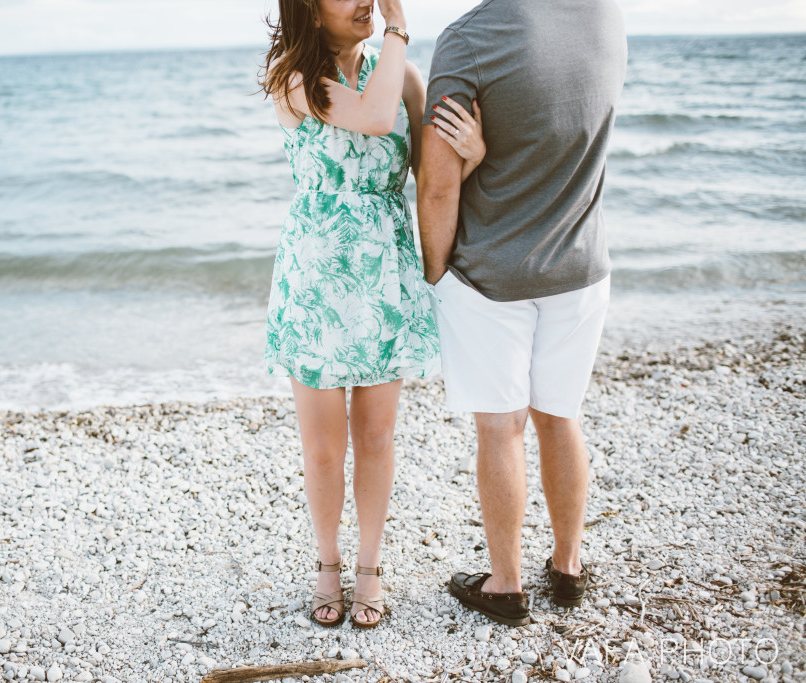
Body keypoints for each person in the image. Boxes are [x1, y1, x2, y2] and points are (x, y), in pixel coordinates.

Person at [260, 0, 484, 628]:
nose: (367, 1)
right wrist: (401, 30)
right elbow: (372, 116)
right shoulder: (293, 75)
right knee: (325, 446)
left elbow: (430, 176)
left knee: (378, 437)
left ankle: (370, 567)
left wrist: (474, 152)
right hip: (317, 280)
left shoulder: (404, 76)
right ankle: (327, 565)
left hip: (384, 275)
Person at [418, 0, 628, 626]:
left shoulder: (469, 38)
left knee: (500, 427)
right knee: (561, 418)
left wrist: (435, 275)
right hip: (582, 268)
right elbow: (559, 130)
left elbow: (436, 183)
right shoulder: (604, 18)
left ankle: (505, 586)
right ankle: (567, 569)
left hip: (492, 277)